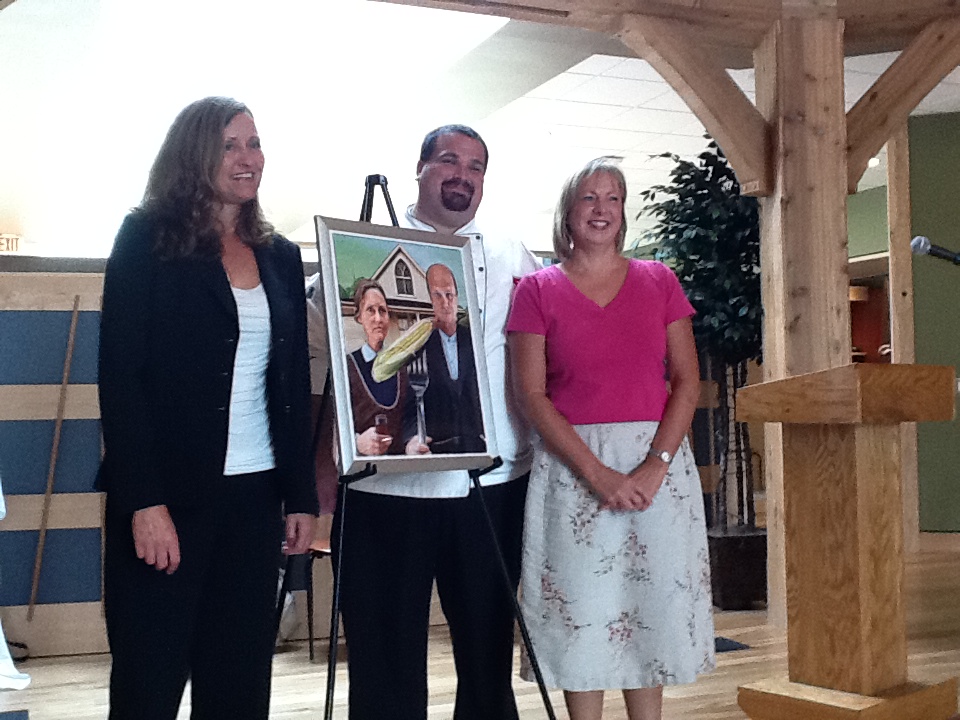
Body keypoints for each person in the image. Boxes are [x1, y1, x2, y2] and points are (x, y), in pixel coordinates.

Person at [97, 96, 318, 720]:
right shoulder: (145, 239)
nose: (248, 159)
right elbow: (121, 379)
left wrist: (300, 495)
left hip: (255, 498)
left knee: (238, 687)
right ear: (195, 155)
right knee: (149, 683)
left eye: (254, 143)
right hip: (168, 499)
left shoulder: (279, 254)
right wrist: (143, 502)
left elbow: (291, 381)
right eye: (230, 146)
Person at [333, 124, 541, 720]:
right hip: (389, 490)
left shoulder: (509, 252)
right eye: (449, 161)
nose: (462, 175)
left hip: (491, 484)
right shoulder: (371, 243)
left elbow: (545, 334)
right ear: (420, 169)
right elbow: (325, 336)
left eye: (475, 166)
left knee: (486, 654)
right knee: (385, 657)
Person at [506, 158, 715, 720]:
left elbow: (687, 381)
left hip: (657, 471)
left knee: (649, 612)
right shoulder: (535, 290)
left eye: (613, 198)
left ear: (623, 212)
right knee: (580, 613)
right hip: (573, 472)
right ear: (568, 211)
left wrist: (656, 464)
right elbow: (531, 395)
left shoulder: (660, 280)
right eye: (589, 198)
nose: (601, 210)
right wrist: (597, 474)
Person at [404, 263, 485, 455]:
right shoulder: (419, 347)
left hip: (478, 448)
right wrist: (411, 439)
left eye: (449, 294)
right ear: (430, 299)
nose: (445, 303)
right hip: (437, 451)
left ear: (457, 296)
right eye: (437, 295)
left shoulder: (476, 341)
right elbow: (410, 404)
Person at [346, 279, 414, 456]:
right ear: (359, 317)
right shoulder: (348, 366)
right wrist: (357, 443)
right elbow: (336, 429)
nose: (378, 318)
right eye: (370, 310)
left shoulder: (402, 365)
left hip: (399, 466)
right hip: (364, 469)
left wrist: (412, 441)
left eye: (382, 311)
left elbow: (410, 418)